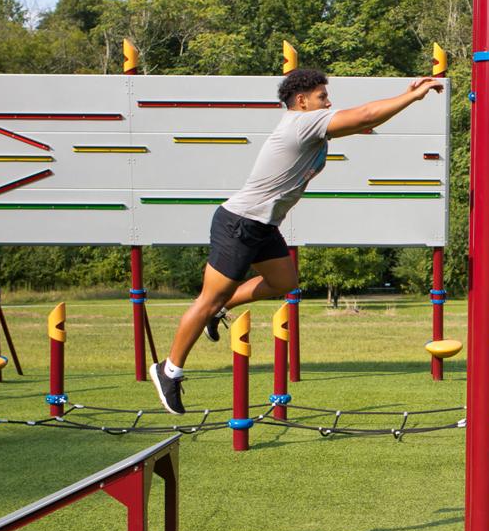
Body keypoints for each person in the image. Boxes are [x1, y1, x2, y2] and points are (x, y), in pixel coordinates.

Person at [150, 67, 444, 412]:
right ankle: (169, 370)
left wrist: (404, 96)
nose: (329, 102)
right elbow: (364, 114)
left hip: (263, 226)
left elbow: (365, 123)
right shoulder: (301, 123)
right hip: (239, 223)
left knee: (283, 282)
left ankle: (223, 308)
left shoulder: (314, 128)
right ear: (301, 101)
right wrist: (413, 95)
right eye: (323, 96)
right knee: (206, 300)